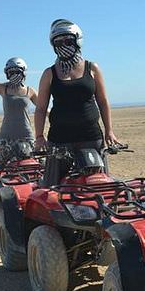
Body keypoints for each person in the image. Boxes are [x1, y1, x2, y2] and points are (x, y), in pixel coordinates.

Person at [34, 19, 120, 185]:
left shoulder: (92, 68)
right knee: (54, 188)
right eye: (58, 42)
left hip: (91, 137)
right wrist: (39, 136)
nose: (63, 45)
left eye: (68, 41)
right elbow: (41, 108)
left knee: (97, 184)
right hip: (60, 139)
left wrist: (109, 130)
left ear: (77, 40)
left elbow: (103, 101)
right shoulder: (49, 73)